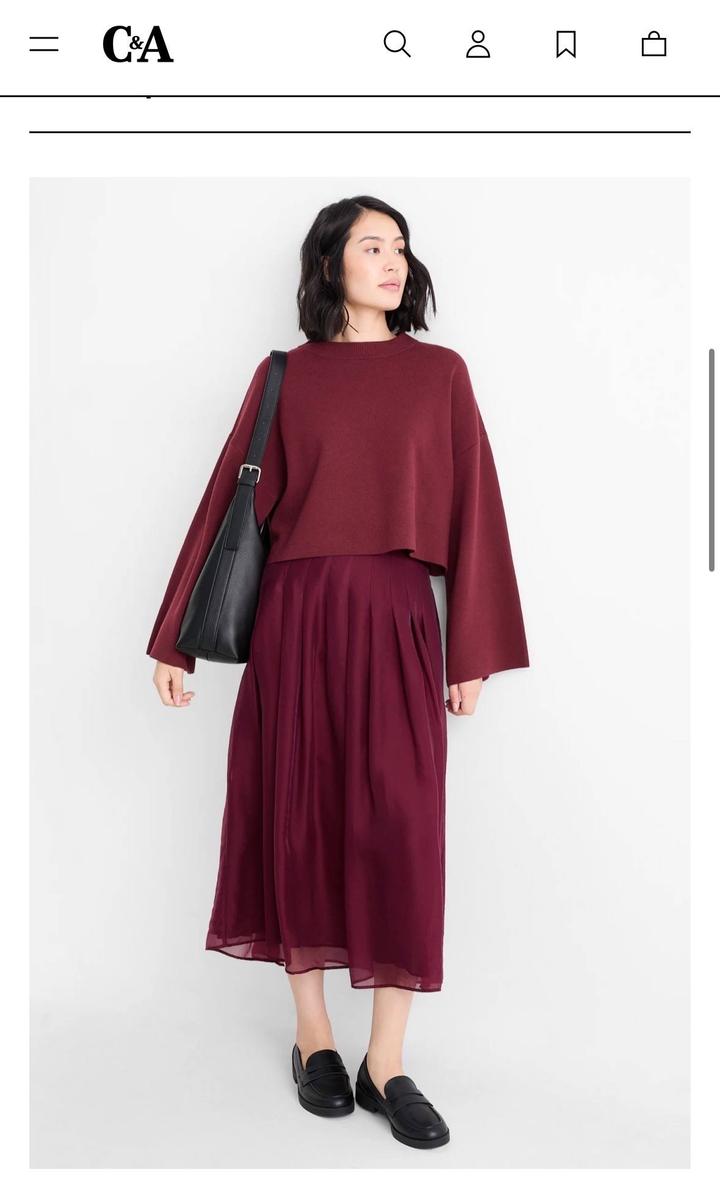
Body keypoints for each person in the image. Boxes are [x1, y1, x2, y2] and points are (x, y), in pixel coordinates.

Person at [146, 194, 529, 1150]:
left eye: (400, 246)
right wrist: (174, 638)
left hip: (398, 618)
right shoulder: (288, 375)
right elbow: (226, 503)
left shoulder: (440, 373)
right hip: (296, 620)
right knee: (300, 817)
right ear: (331, 266)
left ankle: (385, 1061)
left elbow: (476, 508)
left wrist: (472, 650)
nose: (393, 261)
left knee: (402, 827)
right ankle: (313, 1037)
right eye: (371, 245)